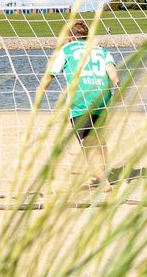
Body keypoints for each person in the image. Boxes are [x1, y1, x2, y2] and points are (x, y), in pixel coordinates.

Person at [50, 20, 119, 189]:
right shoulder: (101, 50)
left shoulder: (66, 50)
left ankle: (102, 179)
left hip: (80, 102)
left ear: (69, 38)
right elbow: (112, 72)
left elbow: (51, 73)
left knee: (87, 142)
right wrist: (117, 84)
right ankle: (101, 173)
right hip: (102, 100)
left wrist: (40, 89)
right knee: (99, 140)